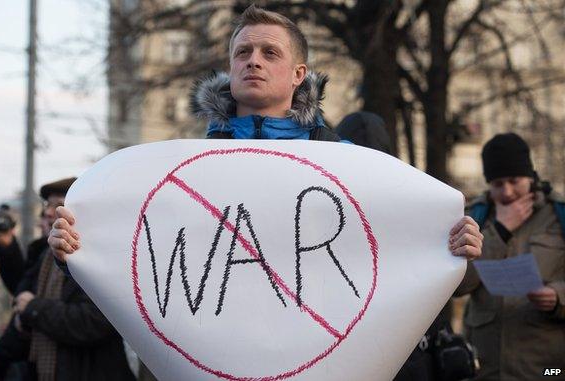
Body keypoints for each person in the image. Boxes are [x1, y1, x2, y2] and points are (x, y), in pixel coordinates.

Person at [47, 6, 483, 377]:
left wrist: (452, 247)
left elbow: (392, 263)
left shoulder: (352, 168)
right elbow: (147, 262)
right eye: (243, 52)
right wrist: (75, 254)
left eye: (269, 52)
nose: (253, 61)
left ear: (298, 74)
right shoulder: (178, 169)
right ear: (230, 67)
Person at [0, 178, 135, 381]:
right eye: (47, 205)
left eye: (58, 206)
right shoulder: (43, 255)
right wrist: (7, 246)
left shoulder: (103, 257)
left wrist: (33, 309)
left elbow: (93, 322)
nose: (48, 212)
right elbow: (21, 288)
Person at [455, 133, 565, 380]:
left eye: (515, 180)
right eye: (497, 184)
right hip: (486, 367)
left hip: (547, 368)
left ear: (530, 176)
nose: (507, 191)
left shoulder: (559, 216)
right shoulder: (474, 218)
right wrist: (500, 231)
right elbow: (458, 286)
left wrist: (558, 297)